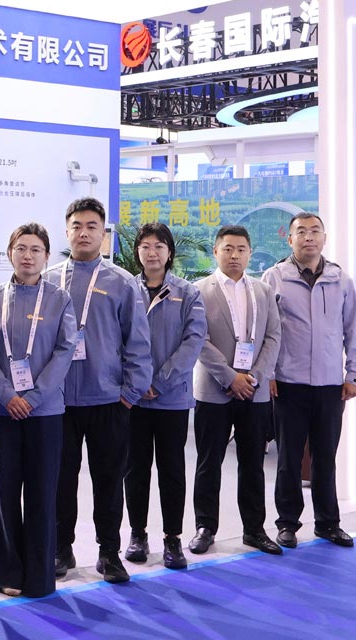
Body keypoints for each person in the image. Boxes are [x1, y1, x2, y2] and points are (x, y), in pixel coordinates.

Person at [43, 198, 151, 584]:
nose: (84, 233)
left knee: (108, 480)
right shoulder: (48, 280)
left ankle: (109, 552)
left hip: (108, 399)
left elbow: (138, 342)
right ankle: (61, 548)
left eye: (92, 226)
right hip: (57, 402)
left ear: (103, 234)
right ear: (66, 231)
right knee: (61, 480)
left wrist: (129, 394)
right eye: (77, 226)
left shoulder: (121, 282)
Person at [0, 223, 77, 598]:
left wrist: (34, 397)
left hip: (45, 411)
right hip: (2, 411)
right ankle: (5, 571)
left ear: (47, 256)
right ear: (10, 253)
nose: (28, 255)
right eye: (21, 248)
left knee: (42, 493)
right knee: (3, 494)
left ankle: (38, 576)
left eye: (36, 249)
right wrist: (7, 395)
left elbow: (65, 351)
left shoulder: (59, 299)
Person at [262, 212, 356, 549]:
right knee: (288, 459)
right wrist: (269, 374)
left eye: (315, 231)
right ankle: (287, 523)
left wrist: (352, 374)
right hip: (289, 382)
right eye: (301, 232)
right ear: (290, 239)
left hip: (331, 385)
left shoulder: (341, 280)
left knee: (325, 457)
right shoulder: (274, 277)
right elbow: (266, 331)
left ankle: (328, 523)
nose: (308, 237)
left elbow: (352, 330)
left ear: (324, 238)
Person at [190, 225, 282, 557]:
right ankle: (205, 527)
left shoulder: (263, 291)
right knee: (208, 461)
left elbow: (273, 336)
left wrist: (253, 377)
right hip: (214, 391)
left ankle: (254, 529)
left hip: (254, 392)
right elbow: (198, 340)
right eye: (228, 248)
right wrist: (230, 377)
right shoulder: (199, 290)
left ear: (249, 253)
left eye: (241, 249)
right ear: (216, 252)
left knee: (253, 462)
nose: (234, 255)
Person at [123, 223, 206, 570]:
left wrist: (159, 381)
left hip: (171, 398)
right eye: (145, 246)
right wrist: (137, 382)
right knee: (135, 469)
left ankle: (173, 538)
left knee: (172, 470)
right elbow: (115, 339)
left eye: (159, 246)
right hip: (133, 399)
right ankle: (137, 535)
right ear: (137, 252)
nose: (152, 252)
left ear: (169, 252)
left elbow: (193, 341)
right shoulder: (125, 290)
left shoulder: (188, 293)